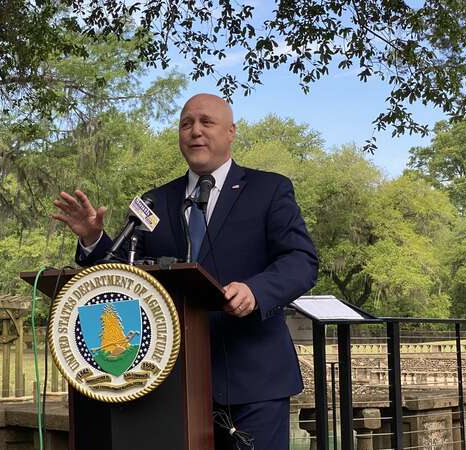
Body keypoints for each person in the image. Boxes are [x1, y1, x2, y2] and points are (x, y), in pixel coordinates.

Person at [52, 93, 318, 449]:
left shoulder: (269, 189)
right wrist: (94, 239)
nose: (195, 131)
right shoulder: (153, 201)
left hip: (253, 380)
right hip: (171, 386)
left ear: (231, 132)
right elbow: (123, 280)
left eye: (206, 122)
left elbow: (301, 260)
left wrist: (256, 291)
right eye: (186, 123)